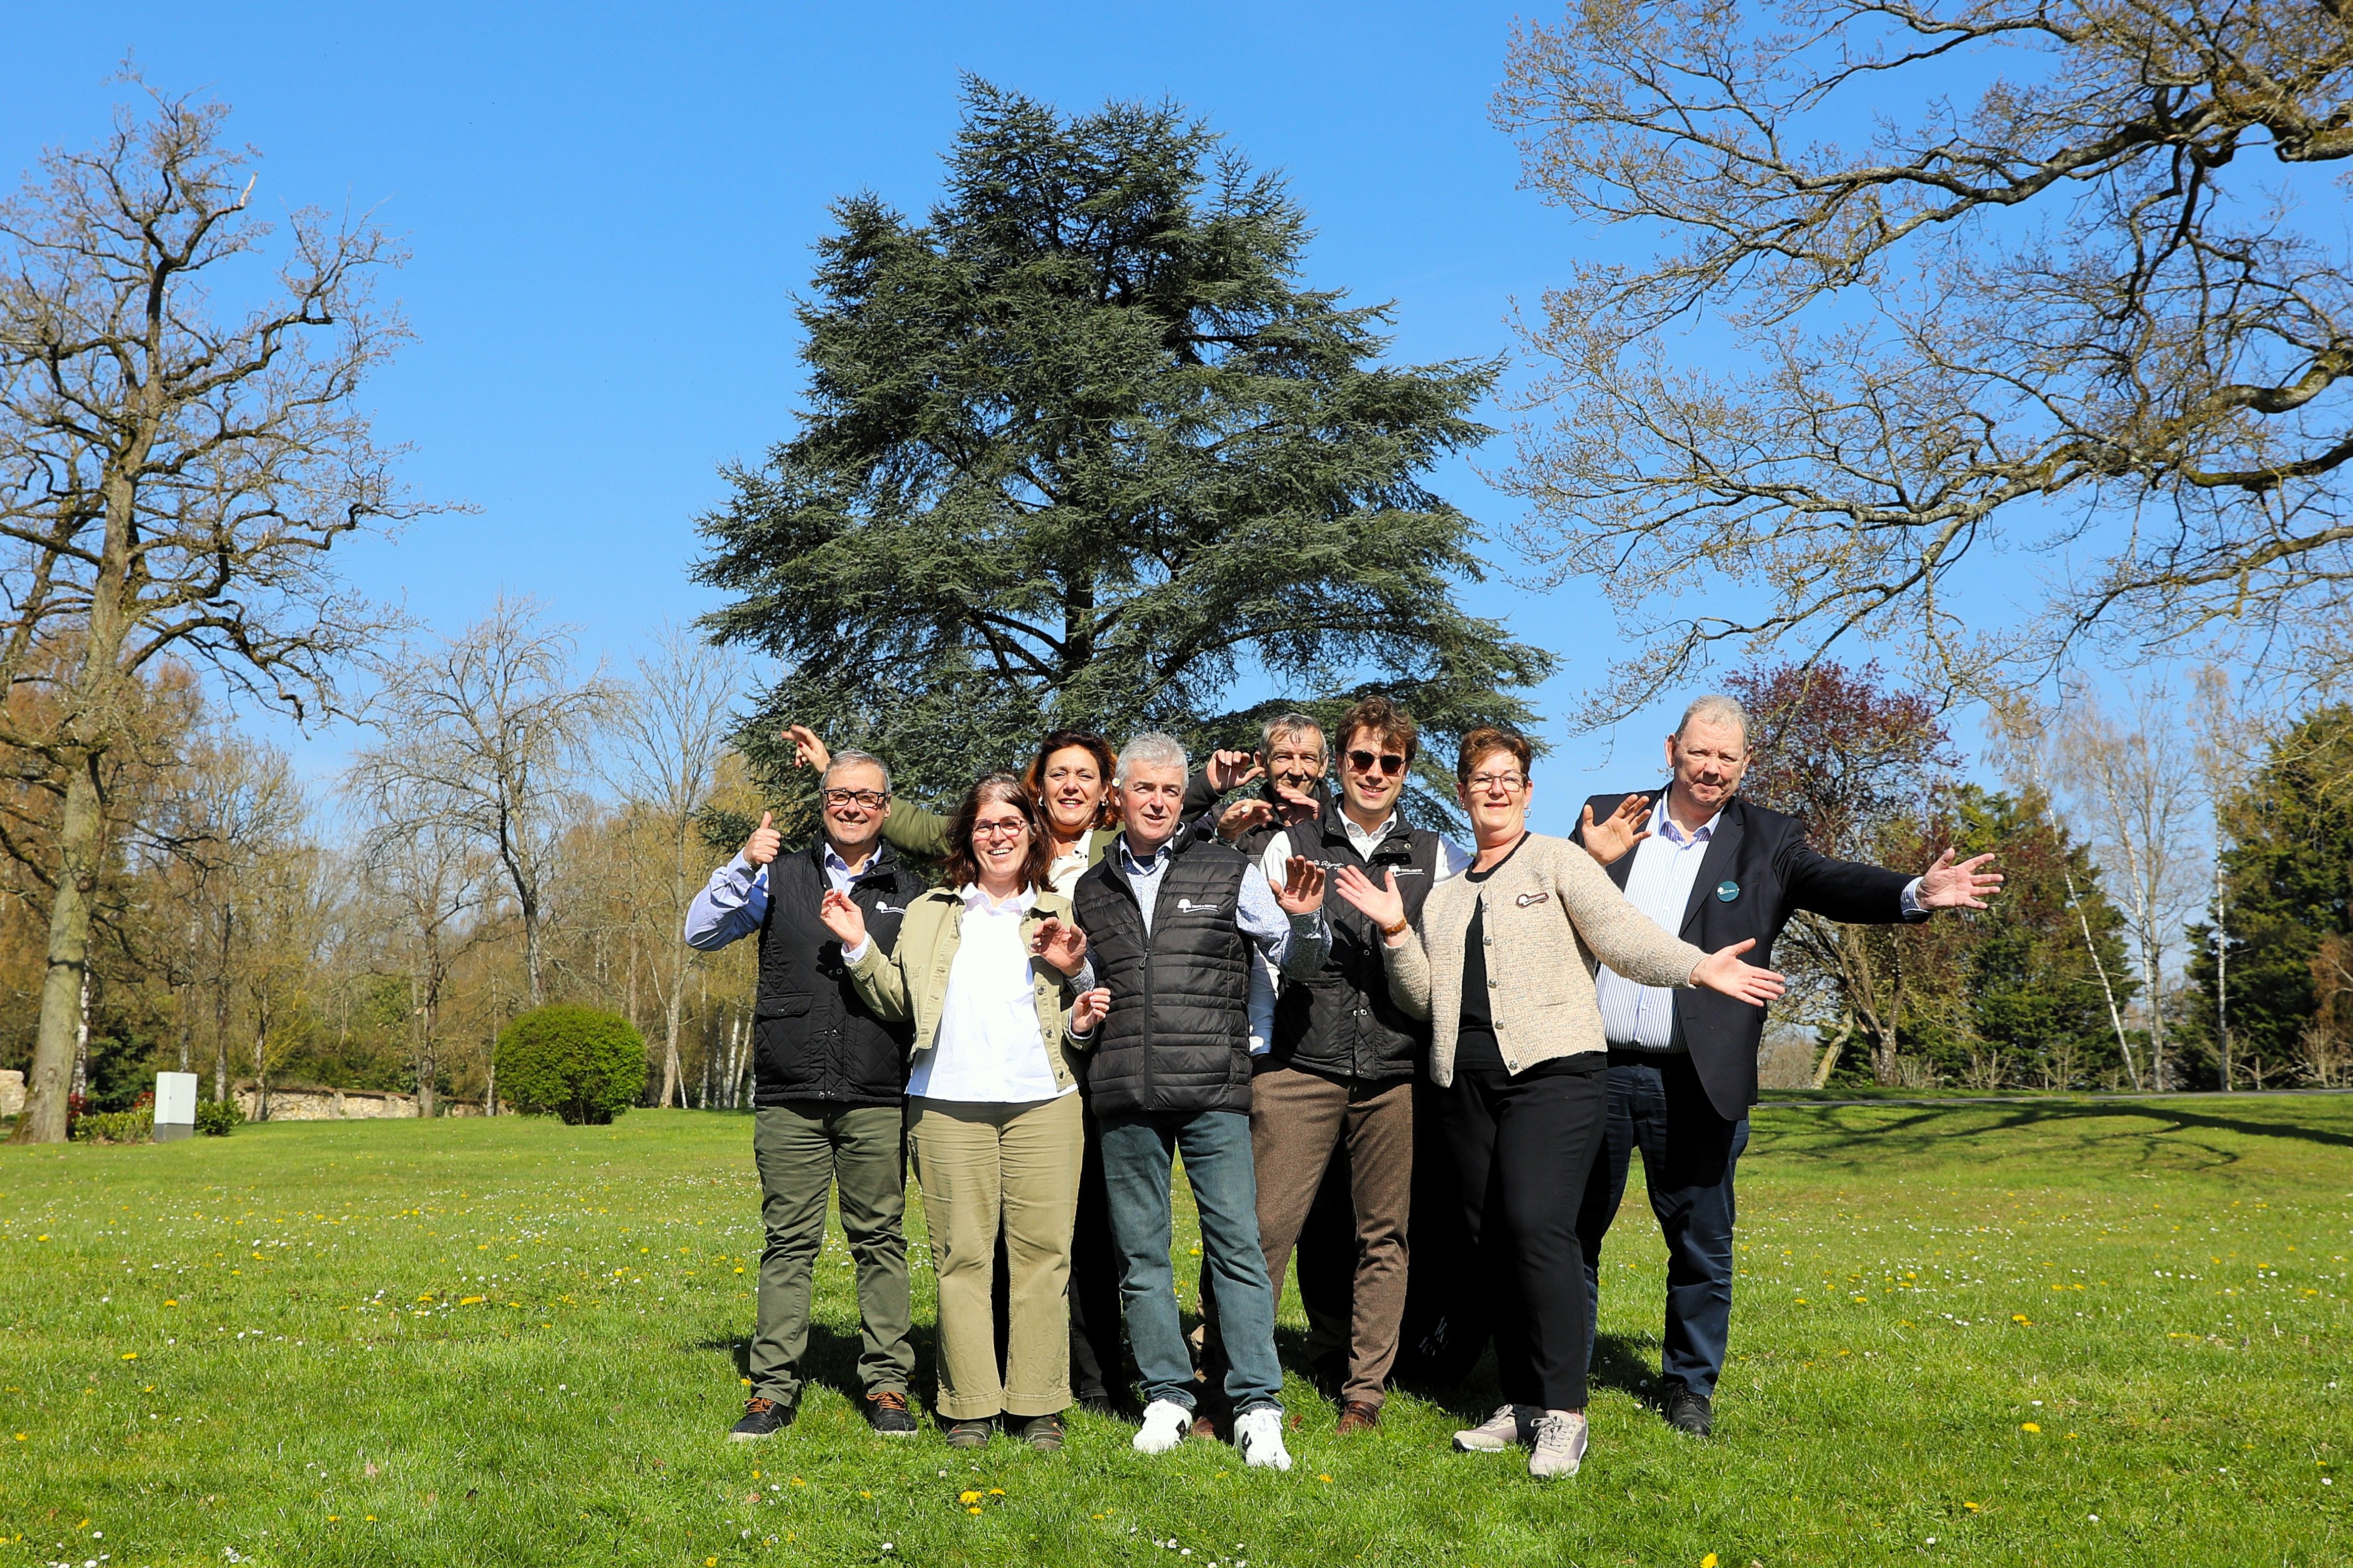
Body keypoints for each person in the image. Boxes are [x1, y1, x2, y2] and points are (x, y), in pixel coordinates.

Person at [1336, 726, 1785, 1480]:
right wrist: (1393, 933)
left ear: (1528, 790)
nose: (1496, 789)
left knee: (1539, 1229)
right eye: (1482, 778)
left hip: (1554, 1075)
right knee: (1490, 1244)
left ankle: (1564, 1413)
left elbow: (1621, 937)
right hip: (1464, 1084)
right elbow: (1422, 1000)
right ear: (1461, 791)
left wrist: (1697, 968)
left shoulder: (1557, 861)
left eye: (1509, 777)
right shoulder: (1444, 897)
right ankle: (1521, 1400)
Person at [1569, 693, 2003, 1438]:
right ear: (1670, 748)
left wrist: (1913, 893)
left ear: (1745, 766)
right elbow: (1544, 901)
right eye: (1698, 752)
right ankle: (1557, 1383)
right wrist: (1582, 857)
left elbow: (1833, 881)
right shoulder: (1610, 817)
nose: (1709, 769)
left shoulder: (1768, 839)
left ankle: (1688, 1390)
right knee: (1569, 1234)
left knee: (1701, 1244)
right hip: (1590, 1068)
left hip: (1697, 1077)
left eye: (1726, 758)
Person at [788, 725, 1133, 1411]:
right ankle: (967, 1402)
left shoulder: (1061, 909)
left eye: (1011, 823)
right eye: (985, 825)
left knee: (1042, 1261)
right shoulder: (929, 912)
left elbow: (1082, 1010)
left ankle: (1038, 1402)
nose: (998, 836)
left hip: (1044, 1104)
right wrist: (859, 946)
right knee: (962, 1261)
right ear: (967, 836)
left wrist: (1078, 996)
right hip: (945, 1106)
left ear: (1031, 835)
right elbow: (899, 1002)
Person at [1202, 695, 1469, 1435]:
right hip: (1298, 1066)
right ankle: (1227, 1386)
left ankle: (1364, 1393)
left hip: (1393, 1074)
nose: (1375, 772)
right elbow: (1262, 957)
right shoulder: (1284, 844)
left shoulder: (1436, 857)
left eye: (1391, 762)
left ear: (1407, 772)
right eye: (1360, 759)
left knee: (1383, 1238)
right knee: (1260, 1234)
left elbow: (1440, 979)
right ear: (1339, 767)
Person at [1070, 732, 1331, 1472]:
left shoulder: (1225, 868)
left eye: (1167, 790)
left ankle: (1256, 1405)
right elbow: (1082, 989)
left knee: (1237, 1250)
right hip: (1124, 1091)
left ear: (1183, 795)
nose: (1155, 802)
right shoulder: (1093, 888)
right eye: (1142, 789)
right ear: (1115, 798)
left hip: (1214, 1090)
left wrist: (1307, 919)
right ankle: (1166, 1397)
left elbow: (1299, 960)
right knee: (1141, 1256)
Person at [684, 750, 929, 1440]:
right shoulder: (778, 874)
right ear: (822, 802)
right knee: (786, 1243)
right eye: (838, 795)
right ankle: (772, 1390)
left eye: (867, 798)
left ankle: (886, 1385)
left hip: (877, 1092)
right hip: (789, 1093)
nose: (851, 807)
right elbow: (700, 932)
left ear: (886, 808)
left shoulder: (910, 891)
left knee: (879, 1240)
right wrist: (741, 863)